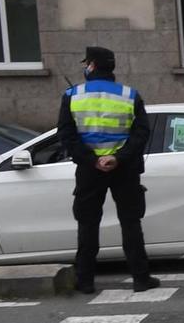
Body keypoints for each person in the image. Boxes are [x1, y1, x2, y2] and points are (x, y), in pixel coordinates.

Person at [57, 45, 156, 296]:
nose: (85, 68)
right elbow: (141, 132)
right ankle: (141, 279)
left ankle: (86, 281)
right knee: (131, 223)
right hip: (124, 168)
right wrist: (118, 158)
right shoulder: (129, 94)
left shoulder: (72, 95)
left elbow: (66, 136)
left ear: (91, 66)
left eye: (86, 64)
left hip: (90, 171)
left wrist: (92, 160)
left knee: (88, 224)